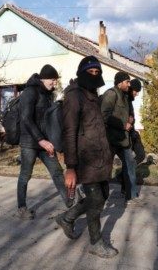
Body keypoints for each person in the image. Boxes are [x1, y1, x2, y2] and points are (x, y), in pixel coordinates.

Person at [55, 55, 118, 258]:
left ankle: (67, 218)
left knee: (101, 196)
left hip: (100, 158)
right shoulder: (75, 96)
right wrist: (70, 167)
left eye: (97, 72)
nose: (94, 75)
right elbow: (69, 132)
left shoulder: (91, 94)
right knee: (96, 200)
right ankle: (96, 242)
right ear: (81, 73)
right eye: (89, 72)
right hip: (84, 159)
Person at [16, 64, 72, 219]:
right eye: (52, 80)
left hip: (45, 142)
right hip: (29, 141)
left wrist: (51, 139)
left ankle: (69, 202)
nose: (54, 84)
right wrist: (41, 140)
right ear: (43, 78)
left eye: (55, 81)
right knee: (25, 174)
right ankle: (21, 208)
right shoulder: (30, 92)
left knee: (56, 171)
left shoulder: (48, 94)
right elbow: (26, 118)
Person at [101, 71, 139, 206]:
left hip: (124, 140)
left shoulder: (125, 96)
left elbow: (129, 114)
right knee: (105, 170)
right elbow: (104, 115)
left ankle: (131, 196)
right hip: (110, 139)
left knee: (130, 166)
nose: (129, 84)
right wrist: (123, 125)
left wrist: (131, 119)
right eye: (127, 82)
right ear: (120, 82)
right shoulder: (111, 94)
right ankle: (92, 193)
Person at [116, 78, 145, 194]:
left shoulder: (129, 100)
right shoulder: (122, 99)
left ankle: (122, 177)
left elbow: (131, 117)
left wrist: (132, 120)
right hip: (124, 135)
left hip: (132, 133)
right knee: (127, 161)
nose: (137, 94)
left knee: (141, 155)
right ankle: (127, 188)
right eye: (136, 91)